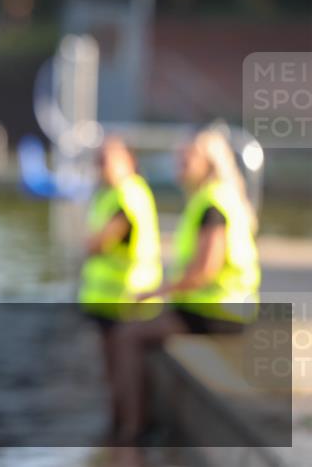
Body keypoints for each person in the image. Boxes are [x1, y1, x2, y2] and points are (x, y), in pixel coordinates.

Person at [111, 128, 261, 444]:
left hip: (219, 311)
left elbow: (205, 271)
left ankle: (133, 429)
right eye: (177, 158)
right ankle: (131, 421)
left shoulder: (212, 206)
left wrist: (156, 292)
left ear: (207, 163)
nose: (179, 164)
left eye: (186, 158)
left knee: (128, 335)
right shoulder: (212, 198)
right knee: (135, 327)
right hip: (215, 306)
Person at [78, 136, 162, 438]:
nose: (102, 164)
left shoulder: (128, 194)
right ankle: (119, 429)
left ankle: (130, 431)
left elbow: (101, 241)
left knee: (124, 369)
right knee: (113, 370)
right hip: (107, 299)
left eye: (109, 158)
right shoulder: (108, 194)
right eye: (100, 158)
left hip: (127, 298)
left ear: (129, 161)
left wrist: (90, 244)